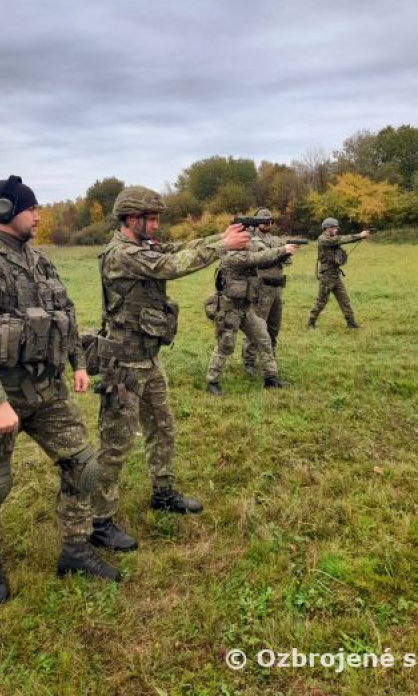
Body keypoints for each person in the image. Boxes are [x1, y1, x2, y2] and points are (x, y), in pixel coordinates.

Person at [0, 175, 120, 604]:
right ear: (5, 211)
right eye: (32, 209)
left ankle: (76, 550)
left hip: (49, 393)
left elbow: (66, 312)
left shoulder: (40, 261)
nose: (39, 216)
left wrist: (79, 364)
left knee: (84, 467)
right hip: (0, 402)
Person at [89, 186, 251, 554]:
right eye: (151, 217)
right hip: (124, 362)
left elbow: (175, 250)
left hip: (148, 357)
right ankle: (99, 520)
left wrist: (219, 237)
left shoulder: (143, 247)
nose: (157, 224)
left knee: (161, 427)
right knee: (115, 443)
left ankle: (162, 493)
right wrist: (222, 247)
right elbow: (171, 265)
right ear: (131, 219)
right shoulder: (120, 254)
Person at [205, 234, 298, 395]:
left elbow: (265, 261)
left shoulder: (246, 255)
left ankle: (270, 378)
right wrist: (283, 249)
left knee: (264, 338)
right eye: (244, 241)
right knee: (225, 344)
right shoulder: (231, 256)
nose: (248, 243)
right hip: (230, 310)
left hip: (246, 309)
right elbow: (257, 258)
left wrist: (284, 254)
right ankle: (212, 381)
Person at [241, 208, 288, 376]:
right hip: (261, 289)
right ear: (256, 222)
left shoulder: (277, 240)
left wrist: (281, 253)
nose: (266, 223)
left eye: (268, 220)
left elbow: (287, 259)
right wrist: (280, 254)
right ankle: (249, 361)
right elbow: (262, 259)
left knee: (274, 328)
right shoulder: (252, 241)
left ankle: (269, 360)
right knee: (256, 327)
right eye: (262, 220)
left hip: (277, 289)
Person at [308, 217, 371, 329]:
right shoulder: (323, 239)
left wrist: (360, 236)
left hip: (335, 274)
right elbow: (341, 239)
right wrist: (360, 236)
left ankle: (351, 323)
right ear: (327, 228)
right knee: (321, 301)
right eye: (334, 227)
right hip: (327, 275)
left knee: (344, 300)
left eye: (336, 227)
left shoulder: (332, 238)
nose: (336, 229)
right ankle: (311, 322)